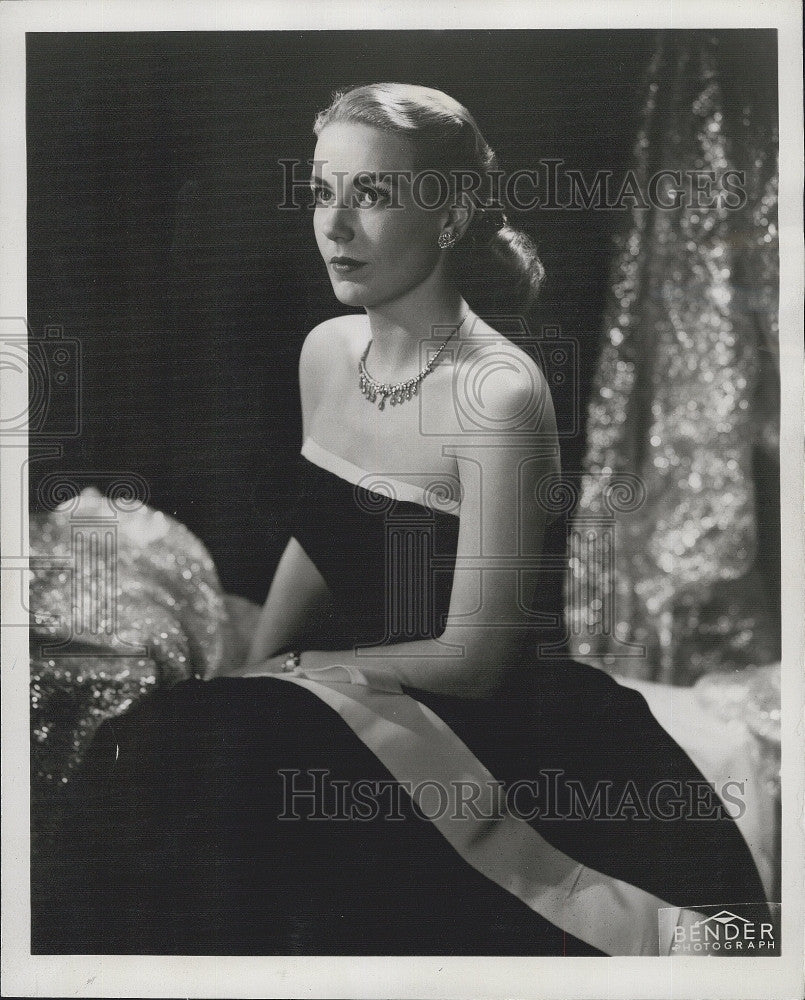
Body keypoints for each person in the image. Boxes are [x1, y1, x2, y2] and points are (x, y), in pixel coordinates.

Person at [38, 82, 769, 957]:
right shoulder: (327, 350)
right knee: (161, 749)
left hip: (496, 733)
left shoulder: (498, 392)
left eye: (373, 195)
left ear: (452, 217)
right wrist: (257, 663)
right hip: (361, 695)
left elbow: (476, 660)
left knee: (212, 775)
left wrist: (306, 671)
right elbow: (325, 523)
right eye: (321, 192)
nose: (335, 225)